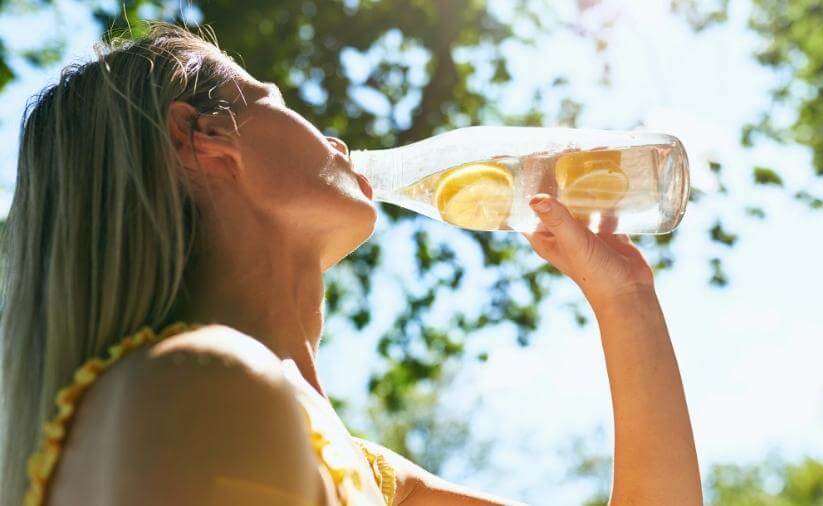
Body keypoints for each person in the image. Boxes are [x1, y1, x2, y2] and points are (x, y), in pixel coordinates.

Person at [0, 24, 701, 505]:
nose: (331, 136)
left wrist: (626, 298)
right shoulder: (201, 386)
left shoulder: (360, 470)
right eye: (274, 101)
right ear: (204, 136)